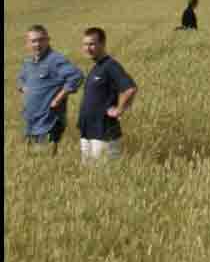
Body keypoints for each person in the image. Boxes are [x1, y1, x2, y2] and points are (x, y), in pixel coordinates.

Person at [16, 24, 84, 155]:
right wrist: (24, 89)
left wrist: (58, 99)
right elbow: (21, 79)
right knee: (31, 163)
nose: (37, 44)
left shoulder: (55, 60)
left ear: (48, 40)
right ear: (27, 43)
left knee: (44, 161)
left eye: (41, 40)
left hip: (48, 122)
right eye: (33, 41)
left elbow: (77, 76)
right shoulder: (28, 62)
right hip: (30, 121)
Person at [78, 27, 138, 163]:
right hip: (88, 133)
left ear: (102, 44)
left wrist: (119, 110)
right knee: (88, 177)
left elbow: (130, 88)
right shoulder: (96, 67)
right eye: (85, 44)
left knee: (102, 176)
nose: (88, 48)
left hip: (104, 134)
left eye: (92, 44)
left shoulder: (111, 66)